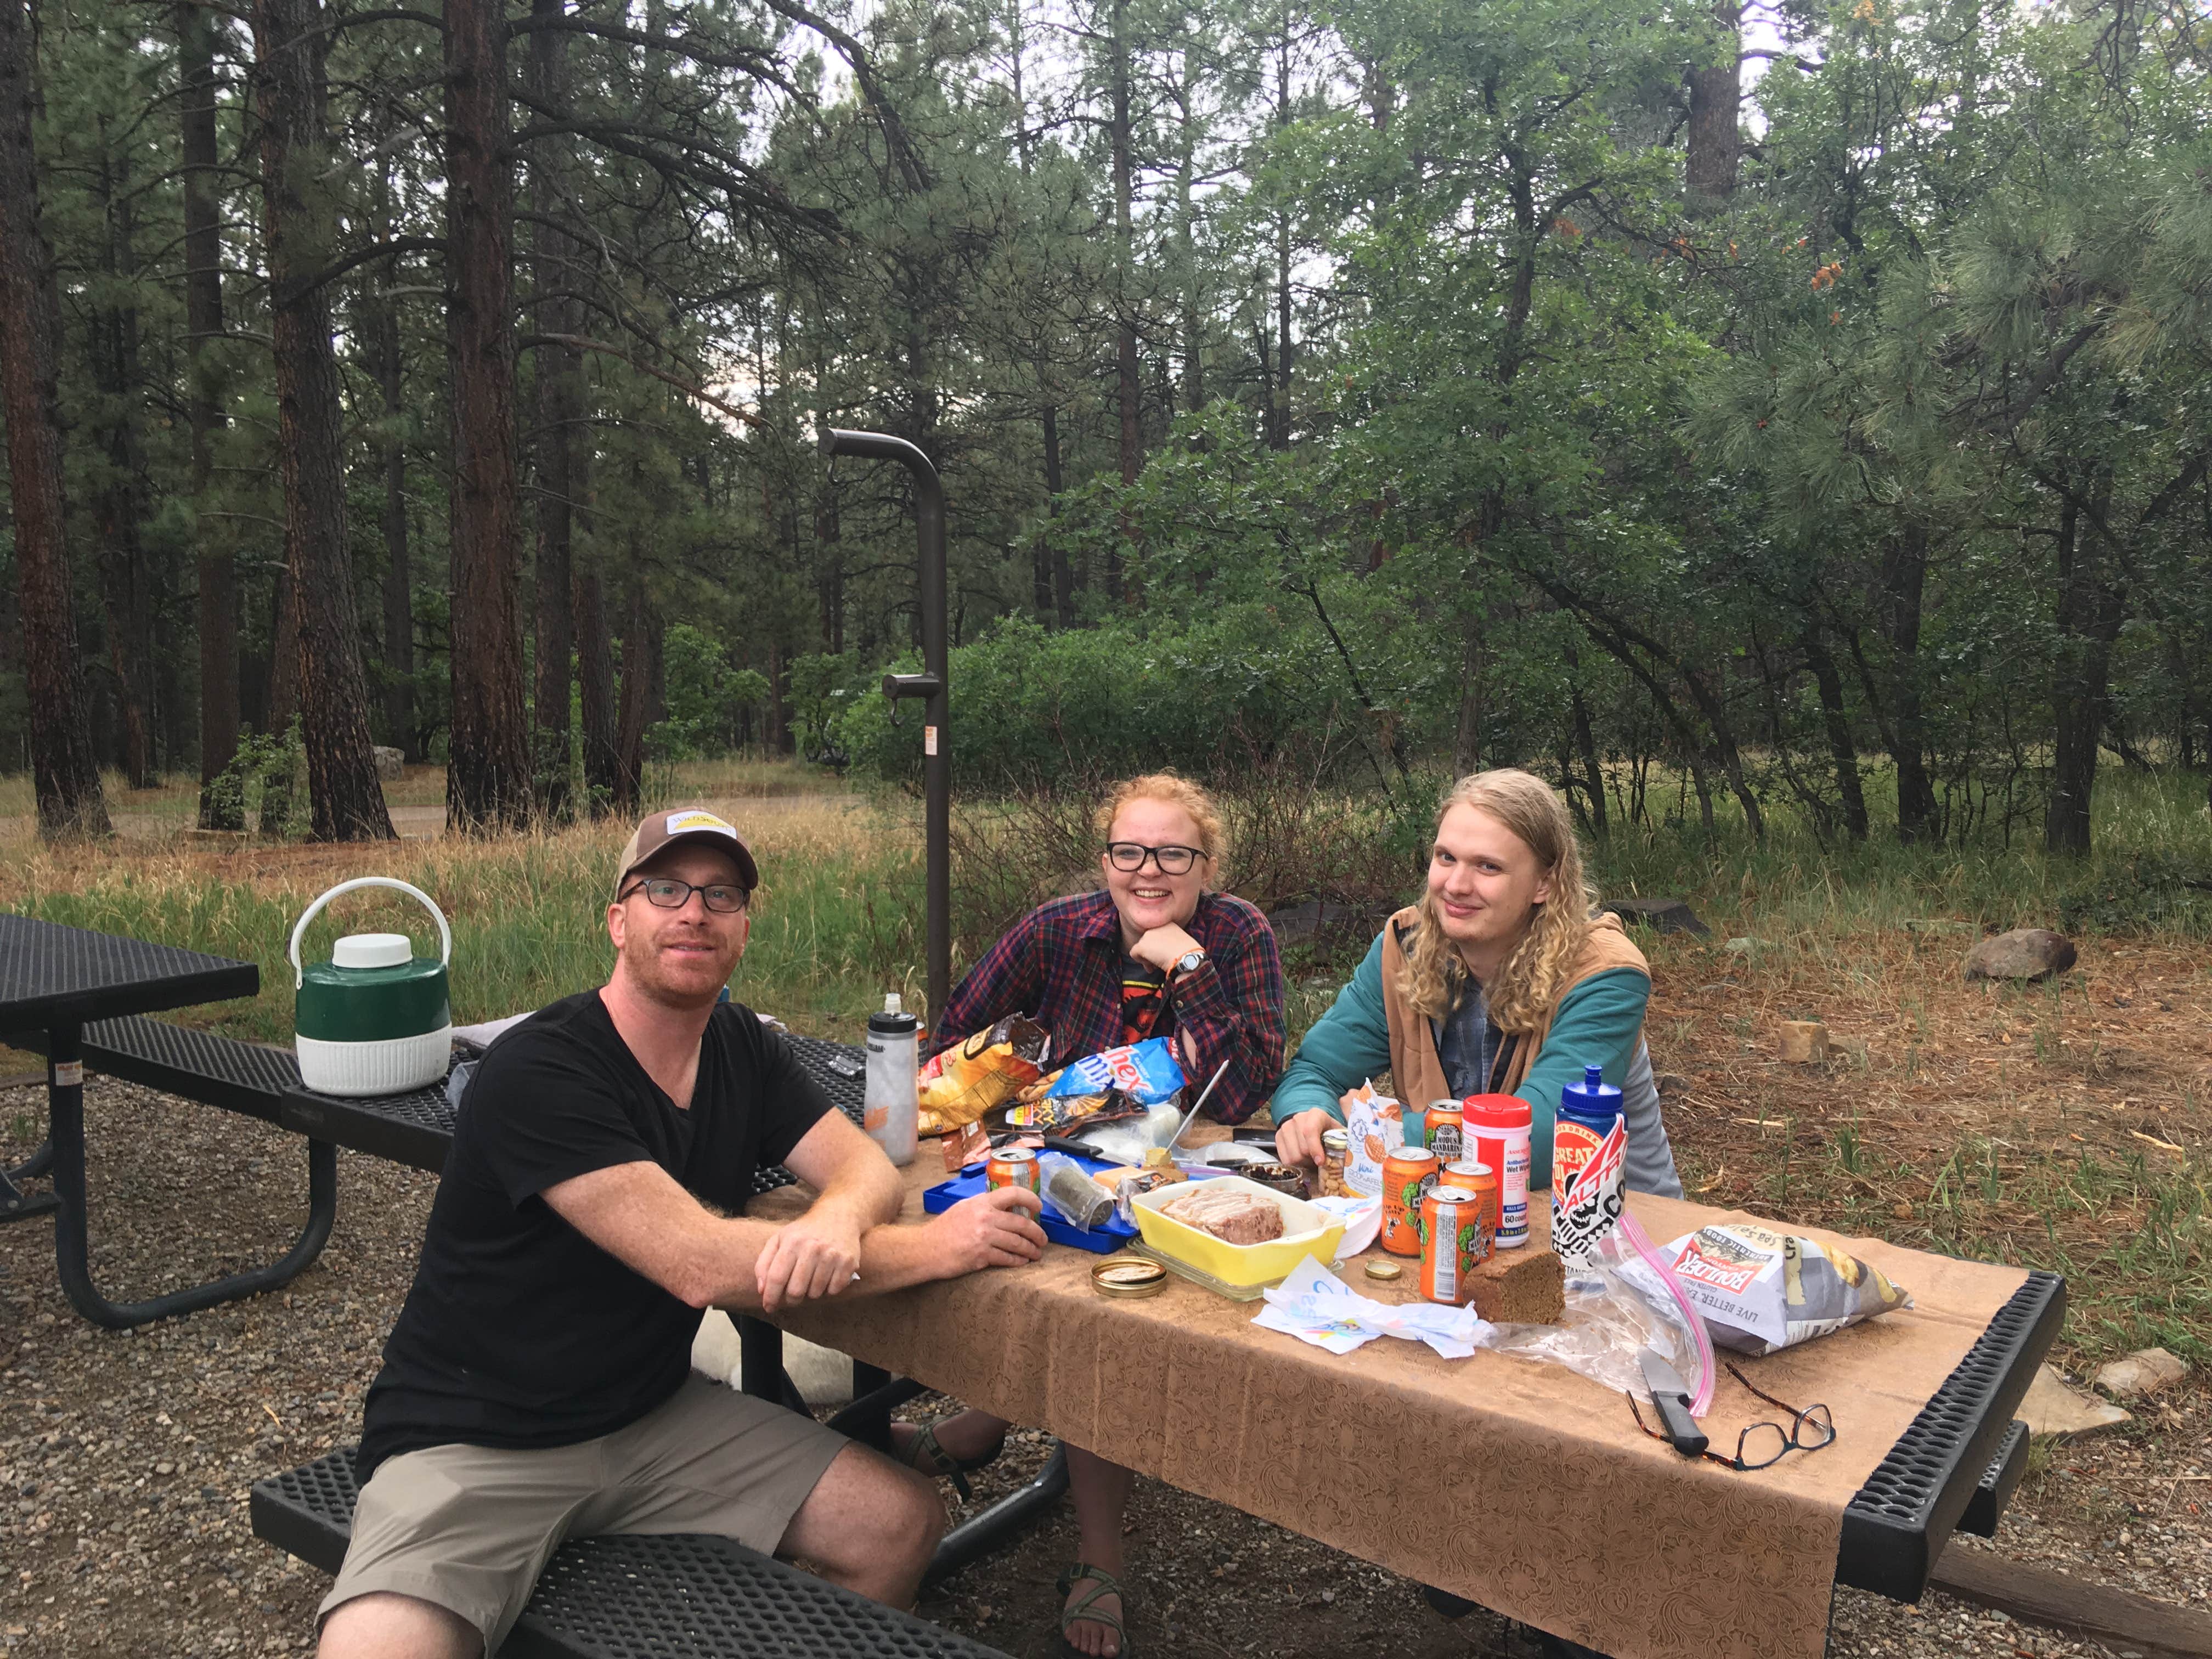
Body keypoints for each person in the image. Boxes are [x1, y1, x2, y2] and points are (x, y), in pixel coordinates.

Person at [317, 807, 1048, 1659]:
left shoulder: (741, 1045)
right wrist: (943, 1245)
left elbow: (867, 1167)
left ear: (742, 929)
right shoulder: (539, 1071)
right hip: (478, 1439)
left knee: (898, 1520)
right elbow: (697, 1264)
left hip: (652, 1416)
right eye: (665, 889)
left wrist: (841, 1224)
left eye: (721, 895)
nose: (694, 912)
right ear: (619, 920)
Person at [895, 772, 1286, 1659]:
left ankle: (1093, 1547)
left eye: (1172, 853)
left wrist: (1186, 964)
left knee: (1097, 1318)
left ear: (1205, 862)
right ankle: (981, 1422)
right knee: (1003, 1251)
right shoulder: (1056, 929)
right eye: (1128, 850)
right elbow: (955, 1029)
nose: (1147, 871)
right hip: (1055, 1166)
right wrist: (990, 1087)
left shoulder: (1238, 932)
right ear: (1105, 856)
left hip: (1182, 1180)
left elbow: (1250, 1083)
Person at [1273, 768, 1682, 1202]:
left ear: (1544, 882)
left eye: (1488, 866)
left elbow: (1544, 1137)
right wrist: (1308, 1114)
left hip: (1613, 1229)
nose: (1455, 885)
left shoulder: (1606, 975)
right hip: (1456, 1213)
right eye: (1446, 858)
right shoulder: (1405, 948)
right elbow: (1315, 1069)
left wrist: (1374, 1127)